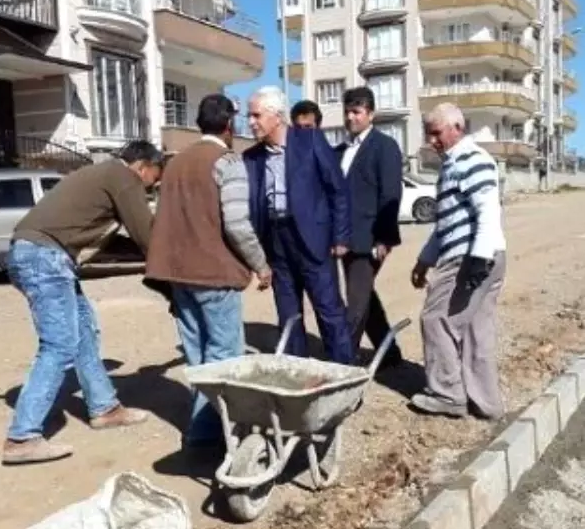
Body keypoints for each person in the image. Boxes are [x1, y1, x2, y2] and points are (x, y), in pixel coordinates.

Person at [4, 141, 163, 466]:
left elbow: (120, 238)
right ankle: (22, 436)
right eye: (154, 178)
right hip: (44, 257)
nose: (152, 185)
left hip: (40, 254)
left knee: (84, 332)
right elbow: (145, 234)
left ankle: (104, 408)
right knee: (59, 345)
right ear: (143, 166)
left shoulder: (103, 174)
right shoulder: (123, 177)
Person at [145, 94, 271, 448]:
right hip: (213, 274)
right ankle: (208, 432)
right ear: (229, 125)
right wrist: (260, 265)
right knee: (224, 356)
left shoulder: (176, 163)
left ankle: (205, 430)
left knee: (198, 355)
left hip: (178, 275)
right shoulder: (227, 161)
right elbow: (237, 224)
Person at [410, 103, 507, 420]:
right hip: (479, 253)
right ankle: (486, 402)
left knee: (436, 319)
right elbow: (445, 226)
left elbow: (488, 211)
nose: (432, 140)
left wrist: (478, 259)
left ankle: (448, 394)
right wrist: (424, 261)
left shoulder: (471, 160)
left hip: (470, 256)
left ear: (457, 127)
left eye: (437, 133)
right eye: (429, 134)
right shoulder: (452, 165)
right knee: (478, 329)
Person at [244, 86, 354, 365]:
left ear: (276, 116)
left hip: (313, 238)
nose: (251, 122)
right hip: (276, 239)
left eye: (256, 115)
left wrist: (340, 236)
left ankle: (344, 373)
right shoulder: (252, 157)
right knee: (288, 312)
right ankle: (296, 372)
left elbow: (337, 190)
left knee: (328, 309)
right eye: (249, 116)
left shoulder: (311, 140)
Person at [334, 86, 404, 367]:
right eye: (347, 111)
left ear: (371, 114)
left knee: (356, 303)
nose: (351, 117)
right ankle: (389, 352)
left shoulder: (384, 146)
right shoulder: (342, 149)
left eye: (357, 111)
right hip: (345, 239)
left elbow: (390, 195)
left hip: (370, 239)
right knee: (364, 297)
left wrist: (383, 238)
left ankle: (344, 361)